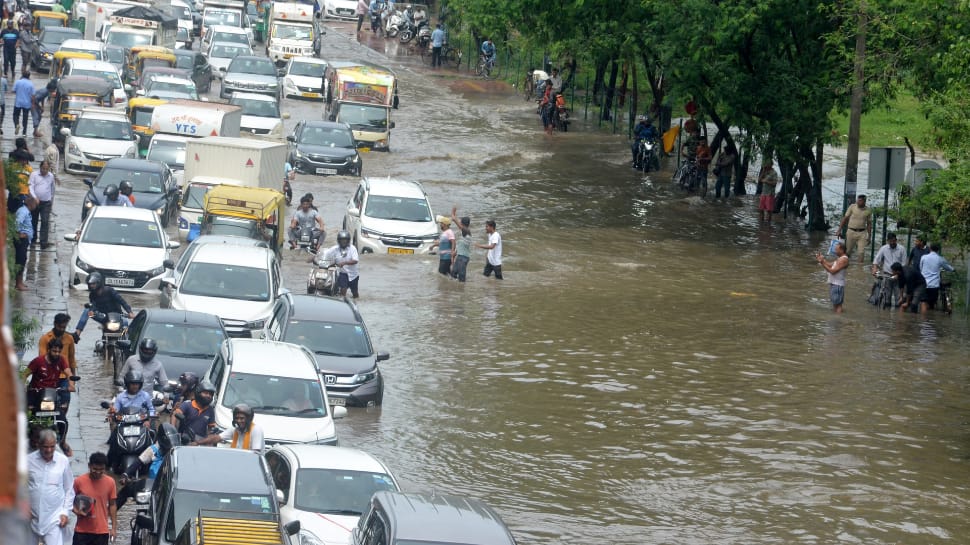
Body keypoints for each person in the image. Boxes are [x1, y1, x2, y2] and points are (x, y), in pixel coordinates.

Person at [38, 313, 78, 453]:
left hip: (64, 379)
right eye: (60, 326)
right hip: (49, 378)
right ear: (55, 324)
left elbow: (72, 360)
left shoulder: (69, 339)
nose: (62, 329)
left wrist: (72, 381)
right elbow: (42, 360)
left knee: (63, 410)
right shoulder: (45, 339)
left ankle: (62, 440)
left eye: (64, 327)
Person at [27, 429, 74, 545]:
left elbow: (69, 489)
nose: (49, 450)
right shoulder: (28, 461)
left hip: (54, 518)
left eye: (52, 447)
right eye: (45, 447)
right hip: (31, 517)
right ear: (38, 445)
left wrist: (65, 512)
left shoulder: (62, 461)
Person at [116, 424, 179, 510]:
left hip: (170, 487)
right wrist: (126, 474)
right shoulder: (153, 449)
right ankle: (109, 514)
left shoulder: (178, 452)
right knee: (127, 490)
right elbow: (139, 462)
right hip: (152, 486)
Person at [73, 272, 135, 342]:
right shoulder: (92, 295)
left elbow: (122, 301)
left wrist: (130, 312)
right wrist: (92, 311)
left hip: (117, 315)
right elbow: (93, 306)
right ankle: (77, 334)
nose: (92, 286)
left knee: (125, 323)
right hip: (103, 317)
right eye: (90, 284)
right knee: (87, 311)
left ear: (99, 283)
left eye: (93, 284)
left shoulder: (110, 291)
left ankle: (125, 343)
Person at [72, 452, 117, 545]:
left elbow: (112, 505)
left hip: (101, 532)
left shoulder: (110, 482)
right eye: (95, 469)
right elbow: (68, 500)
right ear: (89, 466)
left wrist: (113, 528)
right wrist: (76, 511)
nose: (98, 472)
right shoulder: (79, 481)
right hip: (82, 531)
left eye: (101, 469)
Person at [196, 403, 265, 453]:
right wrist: (197, 443)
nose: (238, 421)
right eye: (236, 418)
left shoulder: (256, 430)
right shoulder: (235, 429)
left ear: (249, 419)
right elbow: (217, 438)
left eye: (242, 418)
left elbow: (255, 453)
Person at [28, 160, 57, 249]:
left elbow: (52, 189)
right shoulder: (34, 175)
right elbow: (30, 186)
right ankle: (33, 240)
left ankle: (43, 242)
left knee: (45, 221)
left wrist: (51, 200)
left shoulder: (51, 176)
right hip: (35, 201)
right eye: (43, 168)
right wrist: (34, 197)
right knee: (34, 221)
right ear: (40, 167)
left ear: (48, 169)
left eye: (46, 169)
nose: (44, 170)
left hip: (46, 203)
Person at [321, 230, 360, 297]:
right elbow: (325, 253)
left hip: (353, 275)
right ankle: (342, 303)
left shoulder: (352, 248)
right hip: (343, 274)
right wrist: (316, 256)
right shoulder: (335, 248)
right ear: (339, 240)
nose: (343, 242)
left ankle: (355, 303)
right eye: (342, 240)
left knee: (355, 293)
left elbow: (355, 260)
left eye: (345, 240)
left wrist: (344, 263)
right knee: (343, 290)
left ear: (348, 240)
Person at [918, 242, 955, 313]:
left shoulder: (924, 257)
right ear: (938, 250)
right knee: (931, 305)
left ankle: (922, 320)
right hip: (933, 285)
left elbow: (920, 268)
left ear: (930, 249)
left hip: (923, 284)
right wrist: (953, 270)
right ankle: (930, 321)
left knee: (923, 302)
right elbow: (948, 267)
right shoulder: (940, 259)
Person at [816, 241, 850, 313]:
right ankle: (837, 320)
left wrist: (822, 263)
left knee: (837, 305)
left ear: (842, 250)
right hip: (835, 284)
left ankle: (837, 321)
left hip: (837, 285)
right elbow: (829, 265)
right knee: (836, 304)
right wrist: (822, 260)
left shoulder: (843, 259)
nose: (835, 251)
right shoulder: (840, 259)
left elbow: (833, 271)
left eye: (837, 249)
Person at [838, 194, 872, 262]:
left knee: (861, 253)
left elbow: (869, 224)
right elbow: (845, 218)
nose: (858, 202)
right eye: (858, 200)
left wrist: (869, 236)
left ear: (864, 201)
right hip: (851, 231)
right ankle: (844, 265)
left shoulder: (868, 210)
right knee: (848, 251)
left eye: (860, 201)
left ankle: (859, 269)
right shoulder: (852, 207)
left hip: (862, 233)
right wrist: (839, 230)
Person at [13, 194, 35, 290]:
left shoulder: (25, 211)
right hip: (21, 239)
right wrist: (20, 234)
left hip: (25, 239)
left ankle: (20, 282)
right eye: (35, 204)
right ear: (31, 204)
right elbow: (17, 223)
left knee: (23, 259)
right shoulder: (23, 211)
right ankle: (18, 284)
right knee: (20, 260)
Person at [449, 207, 472, 282]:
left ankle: (462, 291)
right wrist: (455, 253)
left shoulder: (467, 231)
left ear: (462, 223)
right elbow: (461, 245)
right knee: (453, 274)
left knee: (461, 278)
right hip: (460, 257)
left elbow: (459, 226)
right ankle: (457, 292)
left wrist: (453, 215)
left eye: (461, 222)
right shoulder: (464, 233)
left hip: (463, 258)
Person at [13, 69, 33, 136]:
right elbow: (33, 95)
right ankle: (24, 132)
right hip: (27, 104)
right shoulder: (31, 84)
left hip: (18, 102)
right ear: (29, 76)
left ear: (22, 75)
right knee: (25, 117)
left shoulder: (18, 82)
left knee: (15, 115)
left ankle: (16, 124)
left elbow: (14, 91)